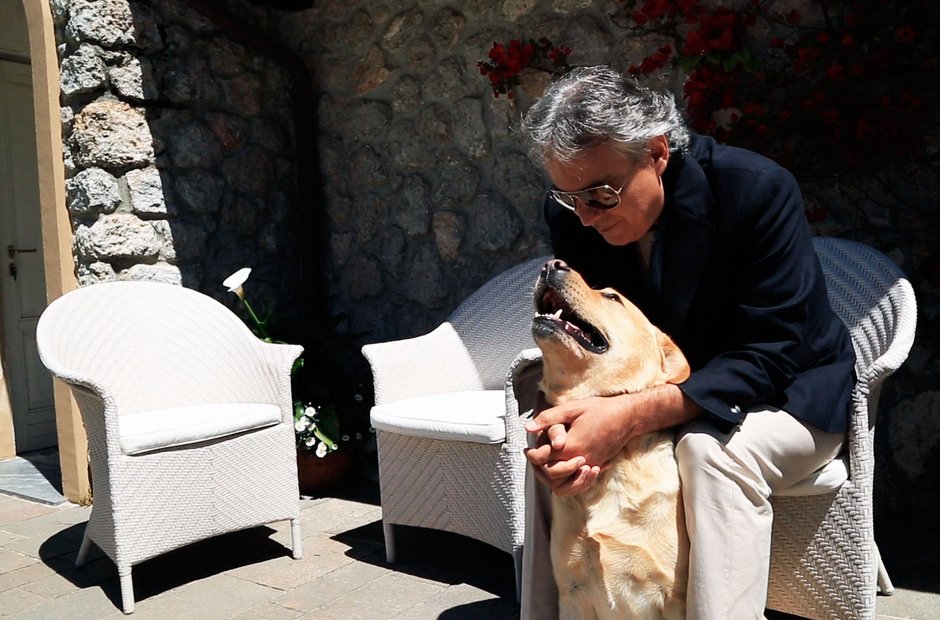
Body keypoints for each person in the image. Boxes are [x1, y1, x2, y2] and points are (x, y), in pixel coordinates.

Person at [518, 65, 856, 619]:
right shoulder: (580, 213)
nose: (583, 217)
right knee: (557, 444)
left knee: (708, 452)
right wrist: (561, 423)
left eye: (601, 194)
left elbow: (772, 353)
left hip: (789, 394)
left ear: (655, 152)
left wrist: (628, 417)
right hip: (663, 387)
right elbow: (590, 335)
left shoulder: (756, 189)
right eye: (567, 196)